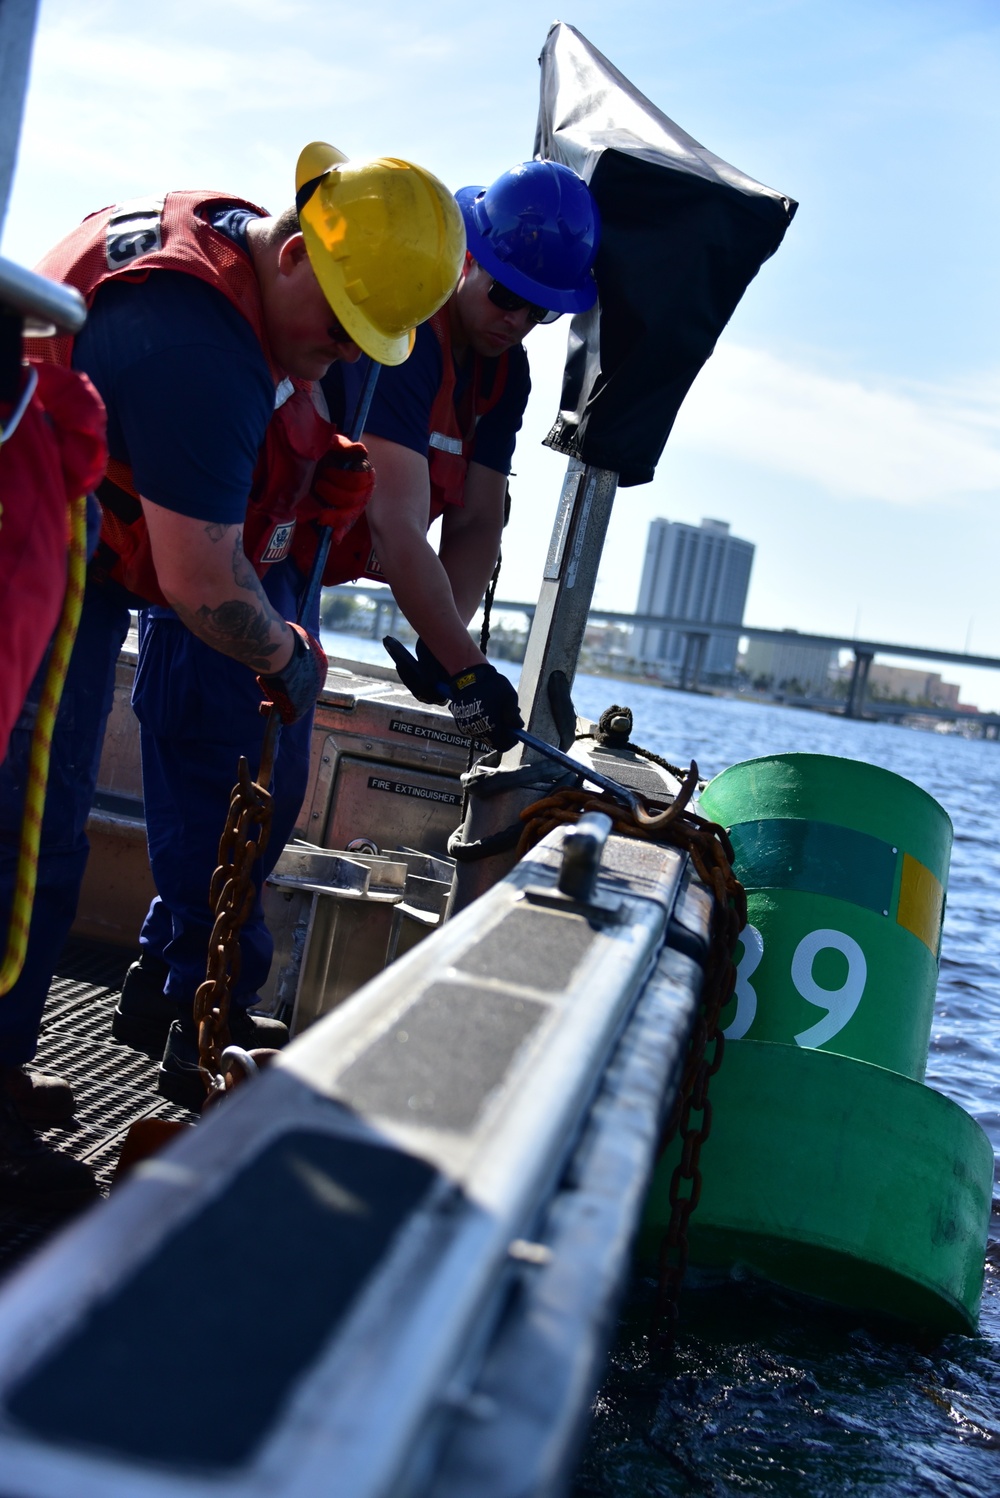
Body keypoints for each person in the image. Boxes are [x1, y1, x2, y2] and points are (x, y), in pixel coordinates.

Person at [0, 144, 465, 1194]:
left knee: (42, 822)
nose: (329, 363)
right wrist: (282, 649)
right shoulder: (197, 348)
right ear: (296, 255)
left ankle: (2, 1064)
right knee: (24, 822)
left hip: (58, 527)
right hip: (27, 534)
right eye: (335, 331)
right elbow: (205, 583)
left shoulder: (234, 270)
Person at [317, 160, 600, 751]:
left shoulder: (506, 375)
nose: (517, 322)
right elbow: (394, 524)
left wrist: (442, 648)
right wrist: (468, 667)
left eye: (539, 311)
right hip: (262, 550)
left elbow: (476, 521)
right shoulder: (413, 334)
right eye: (506, 296)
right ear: (468, 260)